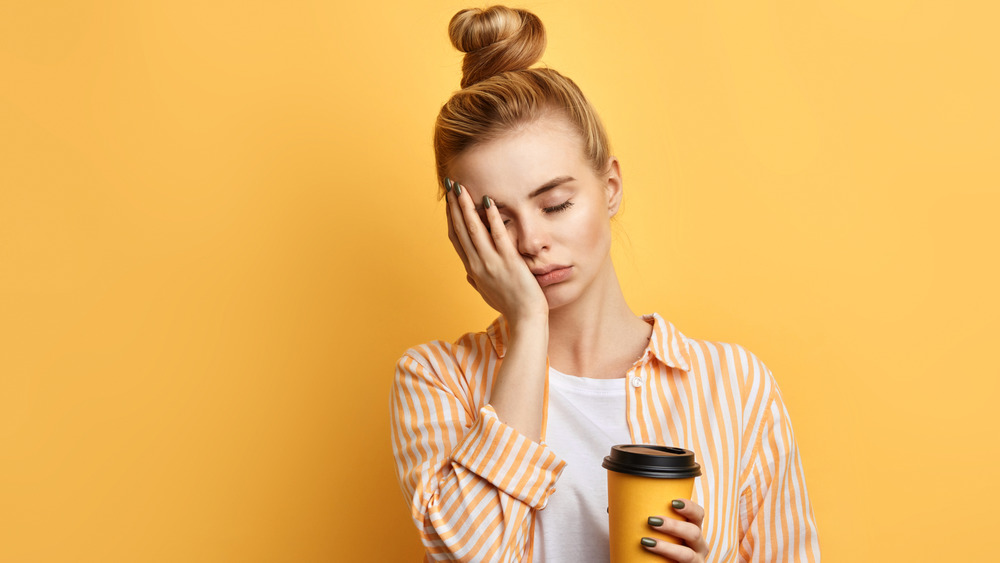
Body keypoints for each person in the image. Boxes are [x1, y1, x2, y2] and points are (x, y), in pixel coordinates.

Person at [390, 6, 820, 562]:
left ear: (610, 186)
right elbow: (463, 556)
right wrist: (527, 326)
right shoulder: (436, 380)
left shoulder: (736, 387)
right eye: (497, 219)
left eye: (555, 204)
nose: (531, 241)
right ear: (465, 230)